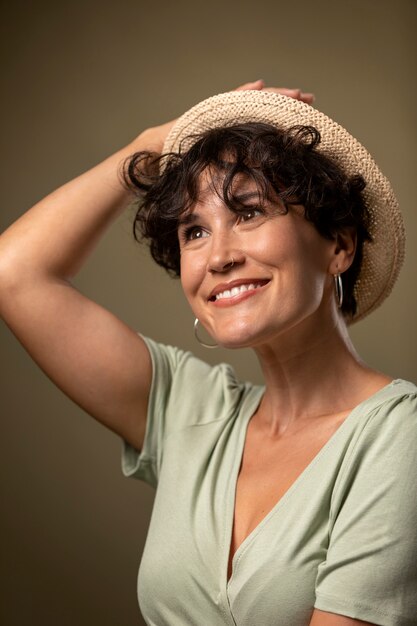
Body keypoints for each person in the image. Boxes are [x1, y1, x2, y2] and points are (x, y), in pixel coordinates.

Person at [0, 80, 415, 626]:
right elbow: (16, 274)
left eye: (247, 212)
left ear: (338, 245)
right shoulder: (191, 412)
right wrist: (150, 146)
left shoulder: (398, 435)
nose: (217, 257)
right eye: (194, 230)